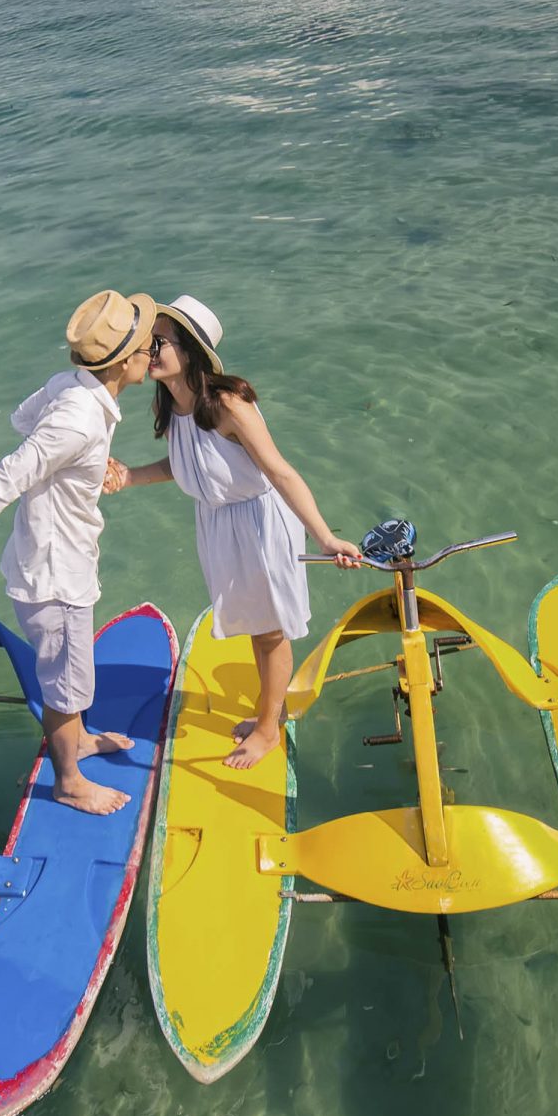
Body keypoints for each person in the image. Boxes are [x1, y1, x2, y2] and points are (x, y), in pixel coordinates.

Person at [0, 290, 157, 816]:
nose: (152, 352)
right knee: (65, 685)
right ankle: (69, 782)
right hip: (55, 575)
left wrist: (82, 461)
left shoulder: (71, 387)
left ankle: (79, 740)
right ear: (123, 363)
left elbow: (24, 419)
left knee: (70, 674)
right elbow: (2, 482)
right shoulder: (78, 421)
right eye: (146, 346)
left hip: (54, 559)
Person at [104, 296, 360, 770]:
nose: (148, 350)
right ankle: (268, 712)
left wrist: (325, 537)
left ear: (191, 351)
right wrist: (130, 477)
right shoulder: (171, 405)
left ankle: (268, 728)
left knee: (271, 631)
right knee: (257, 628)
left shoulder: (228, 404)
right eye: (149, 342)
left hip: (260, 523)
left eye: (159, 342)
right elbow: (187, 465)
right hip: (219, 524)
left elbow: (281, 472)